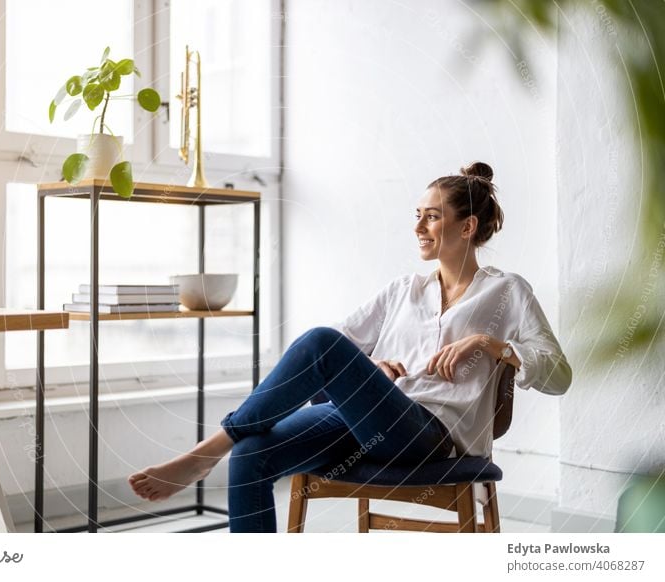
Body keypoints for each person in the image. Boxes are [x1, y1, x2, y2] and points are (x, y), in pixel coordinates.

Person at [128, 161, 572, 532]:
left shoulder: (507, 291)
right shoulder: (404, 289)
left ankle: (205, 452)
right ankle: (224, 461)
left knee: (323, 343)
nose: (418, 226)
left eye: (432, 216)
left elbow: (559, 373)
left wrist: (492, 344)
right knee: (251, 454)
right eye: (417, 214)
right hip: (366, 421)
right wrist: (371, 368)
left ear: (467, 225)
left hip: (429, 436)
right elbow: (333, 352)